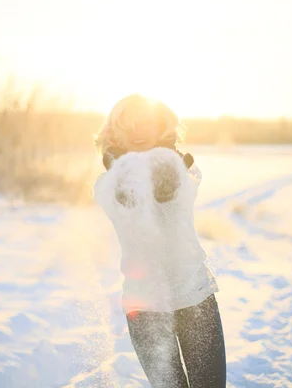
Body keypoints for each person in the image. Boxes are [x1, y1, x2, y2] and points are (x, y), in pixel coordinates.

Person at [93, 94, 226, 387]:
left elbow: (171, 190)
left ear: (160, 127)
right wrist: (120, 165)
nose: (138, 132)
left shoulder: (185, 170)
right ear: (117, 133)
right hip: (145, 310)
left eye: (145, 124)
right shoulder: (107, 184)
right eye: (130, 126)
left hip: (196, 301)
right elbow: (126, 200)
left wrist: (167, 160)